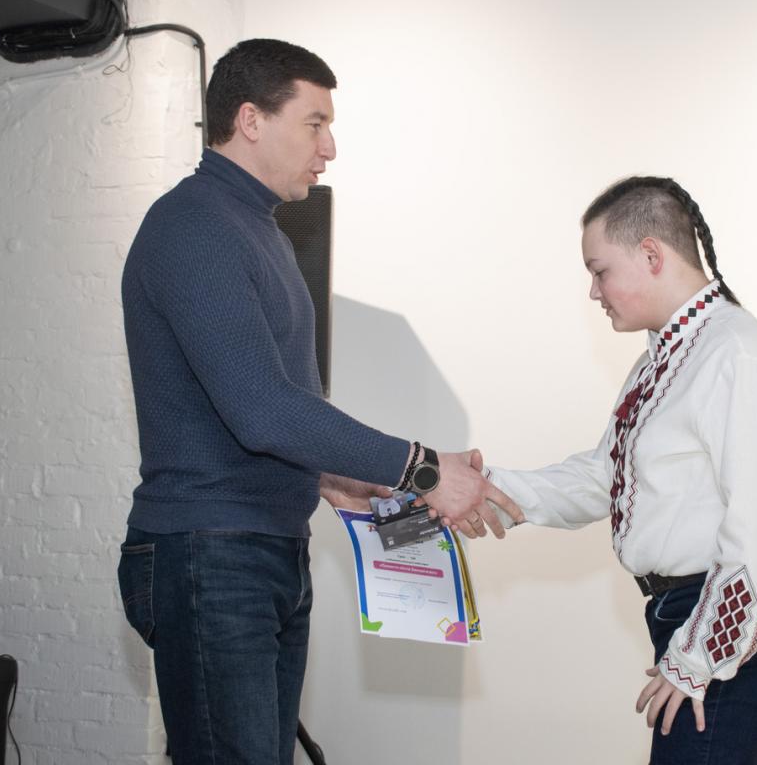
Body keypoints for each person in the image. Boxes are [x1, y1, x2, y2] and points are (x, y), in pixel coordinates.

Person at [117, 38, 521, 765]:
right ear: (250, 120)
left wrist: (336, 477)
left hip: (260, 549)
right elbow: (263, 410)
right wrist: (423, 469)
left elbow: (261, 408)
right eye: (314, 123)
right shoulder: (194, 225)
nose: (329, 147)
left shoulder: (258, 230)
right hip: (211, 553)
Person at [483, 176, 757, 764]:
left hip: (743, 622)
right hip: (698, 612)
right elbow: (604, 478)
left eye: (600, 271)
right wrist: (486, 489)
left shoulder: (737, 353)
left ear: (651, 254)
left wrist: (698, 657)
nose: (593, 291)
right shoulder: (666, 359)